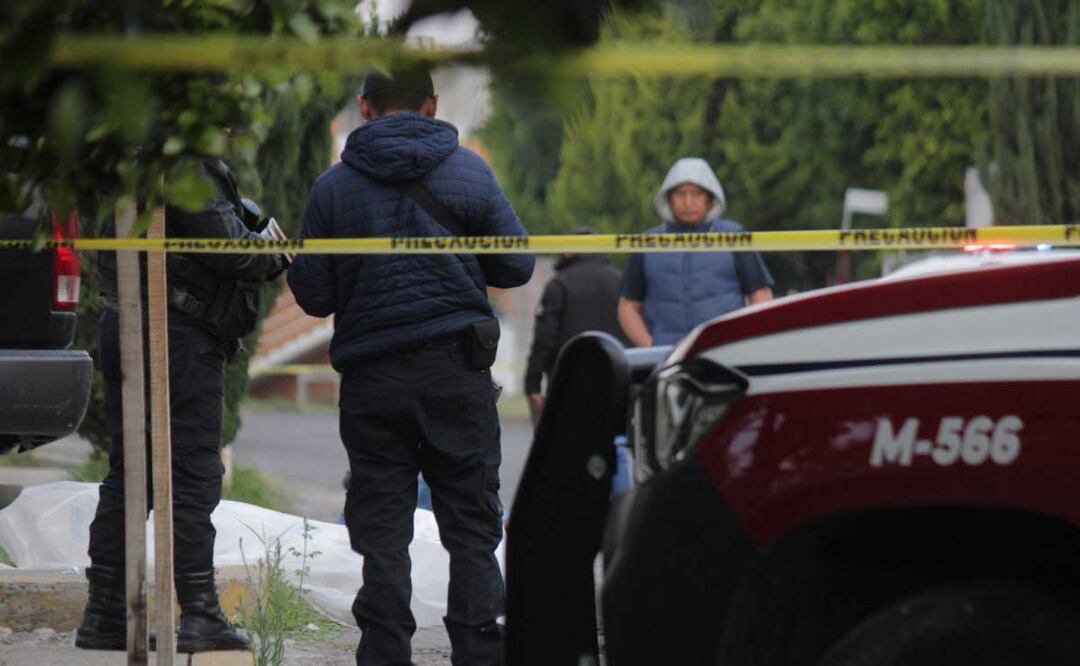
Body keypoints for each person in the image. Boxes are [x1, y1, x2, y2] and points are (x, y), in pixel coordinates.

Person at [287, 66, 534, 666]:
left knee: (383, 527)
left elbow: (313, 296)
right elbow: (517, 265)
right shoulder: (470, 172)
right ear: (431, 105)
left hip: (372, 378)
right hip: (456, 370)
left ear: (365, 107)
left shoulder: (333, 188)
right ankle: (479, 651)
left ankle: (384, 654)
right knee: (472, 525)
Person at [76, 158, 286, 653]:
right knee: (191, 473)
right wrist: (271, 251)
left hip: (137, 321)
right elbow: (231, 250)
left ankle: (107, 613)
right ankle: (199, 614)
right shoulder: (185, 164)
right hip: (175, 333)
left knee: (134, 474)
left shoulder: (131, 156)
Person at [618, 157, 774, 347]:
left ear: (710, 198)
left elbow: (760, 295)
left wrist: (742, 342)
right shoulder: (648, 243)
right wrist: (650, 347)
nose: (688, 202)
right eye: (680, 194)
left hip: (723, 350)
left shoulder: (734, 237)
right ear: (668, 199)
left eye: (697, 193)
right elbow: (628, 306)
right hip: (665, 353)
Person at [523, 226, 626, 427]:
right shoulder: (621, 280)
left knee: (569, 437)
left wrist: (532, 384)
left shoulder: (559, 283)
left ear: (568, 251)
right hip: (615, 373)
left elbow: (545, 337)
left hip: (567, 377)